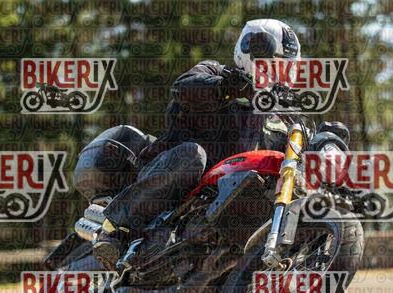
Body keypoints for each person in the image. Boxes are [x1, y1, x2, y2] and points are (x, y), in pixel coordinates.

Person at [93, 19, 302, 269]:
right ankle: (114, 228)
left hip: (219, 201)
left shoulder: (275, 120)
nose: (279, 75)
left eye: (286, 68)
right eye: (275, 65)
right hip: (172, 178)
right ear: (252, 53)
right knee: (193, 155)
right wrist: (227, 87)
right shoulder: (216, 73)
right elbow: (183, 88)